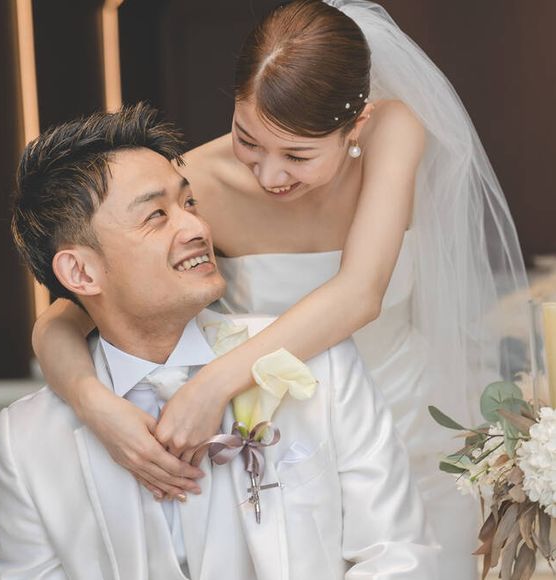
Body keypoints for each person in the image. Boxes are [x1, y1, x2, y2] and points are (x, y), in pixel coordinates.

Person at [30, 1, 529, 577]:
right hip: (280, 448)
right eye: (247, 139)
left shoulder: (394, 130)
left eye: (297, 155)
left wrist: (212, 384)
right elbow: (61, 318)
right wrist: (94, 405)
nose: (269, 174)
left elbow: (359, 294)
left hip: (410, 420)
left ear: (356, 126)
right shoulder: (193, 186)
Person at [0, 104, 439, 579]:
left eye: (190, 204)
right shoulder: (28, 440)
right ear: (80, 272)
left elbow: (399, 558)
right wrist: (89, 399)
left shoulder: (317, 369)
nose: (199, 228)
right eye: (156, 216)